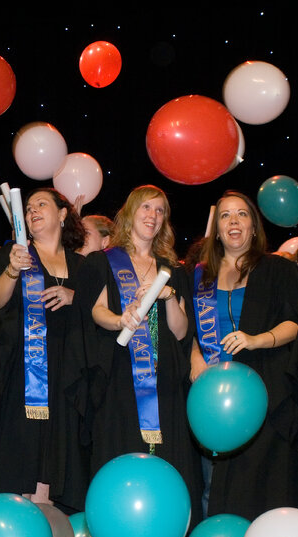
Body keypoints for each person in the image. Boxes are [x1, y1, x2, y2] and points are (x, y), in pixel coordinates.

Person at [0, 188, 89, 511]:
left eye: (41, 205)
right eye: (29, 207)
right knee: (22, 460)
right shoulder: (15, 256)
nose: (33, 211)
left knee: (60, 462)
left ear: (62, 214)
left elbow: (100, 312)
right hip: (23, 377)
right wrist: (12, 271)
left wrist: (76, 297)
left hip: (68, 379)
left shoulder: (82, 265)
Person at [80, 184, 202, 516]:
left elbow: (180, 331)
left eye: (160, 210)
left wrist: (168, 297)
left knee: (166, 463)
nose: (153, 216)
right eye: (147, 208)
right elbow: (97, 311)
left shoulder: (173, 270)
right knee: (122, 457)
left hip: (164, 382)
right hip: (119, 377)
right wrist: (121, 319)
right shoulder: (103, 262)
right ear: (131, 213)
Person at [188, 191, 298, 520]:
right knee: (211, 484)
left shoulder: (278, 269)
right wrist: (195, 360)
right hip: (210, 398)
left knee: (264, 483)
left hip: (265, 392)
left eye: (242, 214)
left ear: (254, 227)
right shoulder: (198, 275)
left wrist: (257, 340)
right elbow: (184, 330)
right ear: (216, 229)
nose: (233, 221)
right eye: (225, 215)